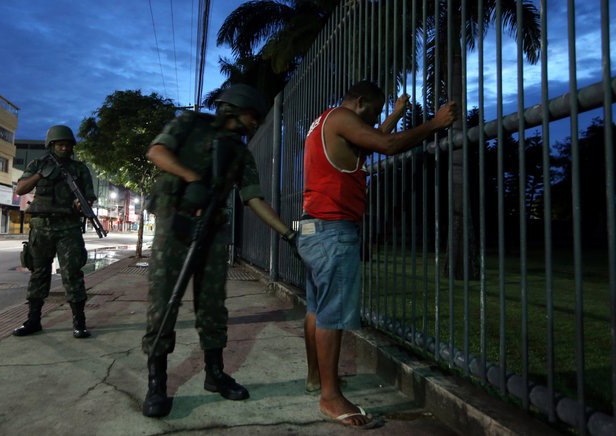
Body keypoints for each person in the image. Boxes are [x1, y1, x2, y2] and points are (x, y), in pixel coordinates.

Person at [298, 80, 458, 429]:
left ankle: (317, 379)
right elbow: (386, 145)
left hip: (313, 228)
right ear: (359, 102)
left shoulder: (325, 122)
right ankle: (330, 396)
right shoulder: (341, 117)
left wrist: (395, 115)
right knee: (333, 315)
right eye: (372, 112)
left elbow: (367, 145)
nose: (373, 120)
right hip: (334, 230)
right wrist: (434, 123)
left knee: (316, 308)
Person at [141, 84, 297, 418]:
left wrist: (288, 235)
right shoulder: (189, 124)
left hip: (211, 233)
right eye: (253, 115)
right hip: (174, 226)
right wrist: (192, 177)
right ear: (235, 108)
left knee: (212, 305)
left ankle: (214, 374)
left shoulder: (240, 154)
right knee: (163, 304)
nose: (256, 123)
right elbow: (156, 151)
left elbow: (254, 198)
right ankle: (157, 383)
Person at [13, 125, 96, 339]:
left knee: (72, 274)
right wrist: (40, 174)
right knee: (39, 273)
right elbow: (21, 189)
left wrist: (82, 203)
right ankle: (33, 320)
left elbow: (88, 196)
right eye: (60, 144)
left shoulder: (79, 169)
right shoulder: (37, 164)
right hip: (41, 227)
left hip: (68, 227)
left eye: (68, 145)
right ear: (51, 145)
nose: (65, 148)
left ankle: (79, 322)